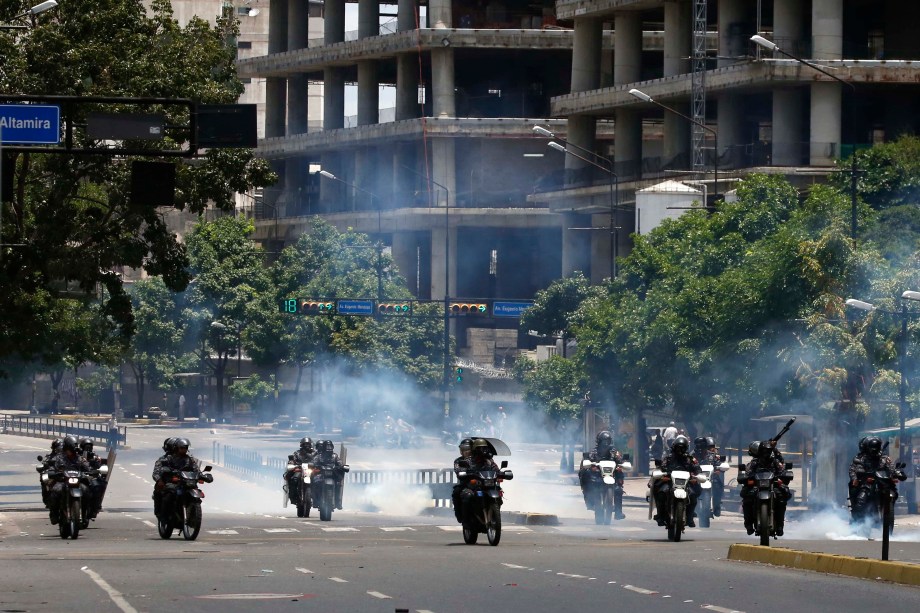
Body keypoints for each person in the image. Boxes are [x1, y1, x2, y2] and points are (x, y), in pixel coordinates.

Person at [849, 436, 906, 523]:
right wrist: (858, 476)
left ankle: (887, 517)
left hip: (882, 482)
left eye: (876, 449)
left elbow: (891, 468)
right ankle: (857, 522)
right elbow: (854, 469)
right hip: (867, 483)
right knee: (861, 500)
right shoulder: (860, 458)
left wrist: (897, 473)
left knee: (893, 492)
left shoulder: (884, 458)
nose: (874, 451)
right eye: (872, 449)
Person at [741, 439, 791, 536]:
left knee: (781, 498)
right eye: (764, 451)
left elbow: (782, 469)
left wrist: (783, 477)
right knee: (747, 499)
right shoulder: (754, 462)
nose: (766, 454)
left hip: (773, 485)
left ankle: (780, 525)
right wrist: (747, 478)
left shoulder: (775, 462)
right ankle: (748, 525)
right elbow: (747, 473)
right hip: (757, 486)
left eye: (768, 451)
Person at [653, 435, 701, 527]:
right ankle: (661, 515)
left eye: (682, 448)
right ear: (674, 447)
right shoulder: (668, 458)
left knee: (693, 496)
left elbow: (697, 469)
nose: (680, 450)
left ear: (686, 448)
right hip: (670, 482)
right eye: (678, 448)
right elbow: (661, 467)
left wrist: (696, 475)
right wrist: (664, 472)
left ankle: (690, 517)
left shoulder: (690, 459)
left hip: (686, 483)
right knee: (661, 493)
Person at [579, 431, 626, 519]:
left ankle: (618, 512)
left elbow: (620, 461)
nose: (605, 443)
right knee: (585, 474)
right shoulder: (594, 452)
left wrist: (622, 463)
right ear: (599, 441)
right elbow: (587, 460)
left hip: (611, 476)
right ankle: (589, 501)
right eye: (603, 441)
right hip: (597, 477)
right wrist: (590, 464)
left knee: (618, 489)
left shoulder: (614, 452)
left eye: (607, 441)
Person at [47, 436, 92, 525]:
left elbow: (87, 467)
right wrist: (53, 472)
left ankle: (85, 515)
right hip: (63, 481)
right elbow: (52, 467)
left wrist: (90, 472)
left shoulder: (79, 458)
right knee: (55, 491)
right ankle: (54, 514)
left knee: (86, 491)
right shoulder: (59, 458)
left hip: (77, 482)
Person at [152, 438, 201, 520]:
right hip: (173, 483)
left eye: (185, 448)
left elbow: (196, 470)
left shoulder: (190, 459)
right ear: (176, 448)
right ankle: (164, 516)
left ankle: (193, 515)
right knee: (169, 495)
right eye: (182, 448)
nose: (184, 450)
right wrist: (160, 480)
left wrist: (202, 476)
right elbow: (157, 472)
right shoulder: (166, 459)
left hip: (187, 483)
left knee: (196, 494)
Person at [457, 438, 502, 520]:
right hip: (471, 485)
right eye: (480, 449)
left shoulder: (488, 460)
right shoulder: (464, 461)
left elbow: (495, 468)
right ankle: (466, 520)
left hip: (487, 485)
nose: (482, 451)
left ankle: (494, 515)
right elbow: (460, 471)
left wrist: (500, 474)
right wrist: (468, 474)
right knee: (467, 495)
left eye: (484, 448)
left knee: (499, 493)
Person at [312, 440, 347, 510]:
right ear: (323, 447)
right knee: (315, 483)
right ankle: (316, 501)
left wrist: (342, 467)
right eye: (327, 446)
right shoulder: (319, 456)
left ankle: (337, 502)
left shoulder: (335, 456)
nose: (328, 448)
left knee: (338, 485)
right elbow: (314, 463)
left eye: (330, 446)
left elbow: (340, 463)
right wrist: (314, 466)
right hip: (321, 475)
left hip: (332, 475)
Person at [79, 438, 107, 519]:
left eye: (89, 447)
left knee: (99, 486)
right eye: (85, 447)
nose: (87, 449)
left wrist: (96, 464)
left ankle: (95, 507)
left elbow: (98, 467)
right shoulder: (77, 456)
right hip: (79, 477)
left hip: (90, 477)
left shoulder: (94, 457)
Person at [285, 437, 314, 505]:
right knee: (294, 479)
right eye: (305, 444)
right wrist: (292, 462)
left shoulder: (314, 453)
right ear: (301, 445)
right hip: (300, 470)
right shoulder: (297, 453)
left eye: (308, 444)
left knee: (318, 480)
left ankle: (318, 497)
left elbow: (318, 460)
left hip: (311, 471)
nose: (306, 446)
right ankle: (294, 497)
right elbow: (292, 460)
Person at [451, 438, 474, 521]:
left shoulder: (480, 458)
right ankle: (461, 516)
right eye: (464, 449)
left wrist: (499, 472)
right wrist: (465, 473)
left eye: (468, 449)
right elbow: (458, 471)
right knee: (457, 492)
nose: (466, 451)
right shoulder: (458, 461)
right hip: (467, 484)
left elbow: (492, 467)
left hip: (482, 483)